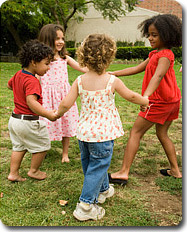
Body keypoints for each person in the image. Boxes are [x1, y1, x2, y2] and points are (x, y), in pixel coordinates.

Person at [55, 34, 149, 221]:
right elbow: (130, 96)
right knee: (98, 167)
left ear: (83, 56)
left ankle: (104, 190)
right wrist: (144, 101)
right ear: (109, 57)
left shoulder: (79, 81)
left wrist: (56, 114)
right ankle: (86, 206)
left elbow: (66, 103)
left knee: (92, 165)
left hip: (84, 134)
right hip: (103, 135)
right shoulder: (112, 80)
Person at [108, 14, 182, 185]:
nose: (150, 38)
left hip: (158, 102)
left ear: (167, 34)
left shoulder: (165, 55)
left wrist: (145, 98)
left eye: (154, 35)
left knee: (136, 132)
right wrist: (114, 73)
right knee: (162, 133)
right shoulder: (155, 54)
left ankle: (123, 172)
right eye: (149, 34)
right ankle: (175, 171)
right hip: (171, 100)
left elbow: (158, 76)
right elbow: (137, 68)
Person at [7, 40, 57, 182]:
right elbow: (31, 102)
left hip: (15, 120)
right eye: (46, 64)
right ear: (34, 62)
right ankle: (34, 171)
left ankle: (13, 173)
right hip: (28, 121)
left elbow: (9, 85)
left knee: (18, 146)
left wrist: (19, 92)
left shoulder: (18, 74)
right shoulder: (32, 80)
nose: (48, 68)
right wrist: (48, 114)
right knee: (43, 145)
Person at [38, 24, 87, 163]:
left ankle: (65, 153)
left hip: (64, 96)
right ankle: (43, 149)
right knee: (44, 125)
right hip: (47, 97)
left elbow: (82, 68)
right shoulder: (41, 60)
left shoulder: (64, 57)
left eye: (62, 38)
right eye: (57, 38)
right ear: (48, 39)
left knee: (66, 122)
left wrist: (98, 70)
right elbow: (36, 78)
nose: (61, 42)